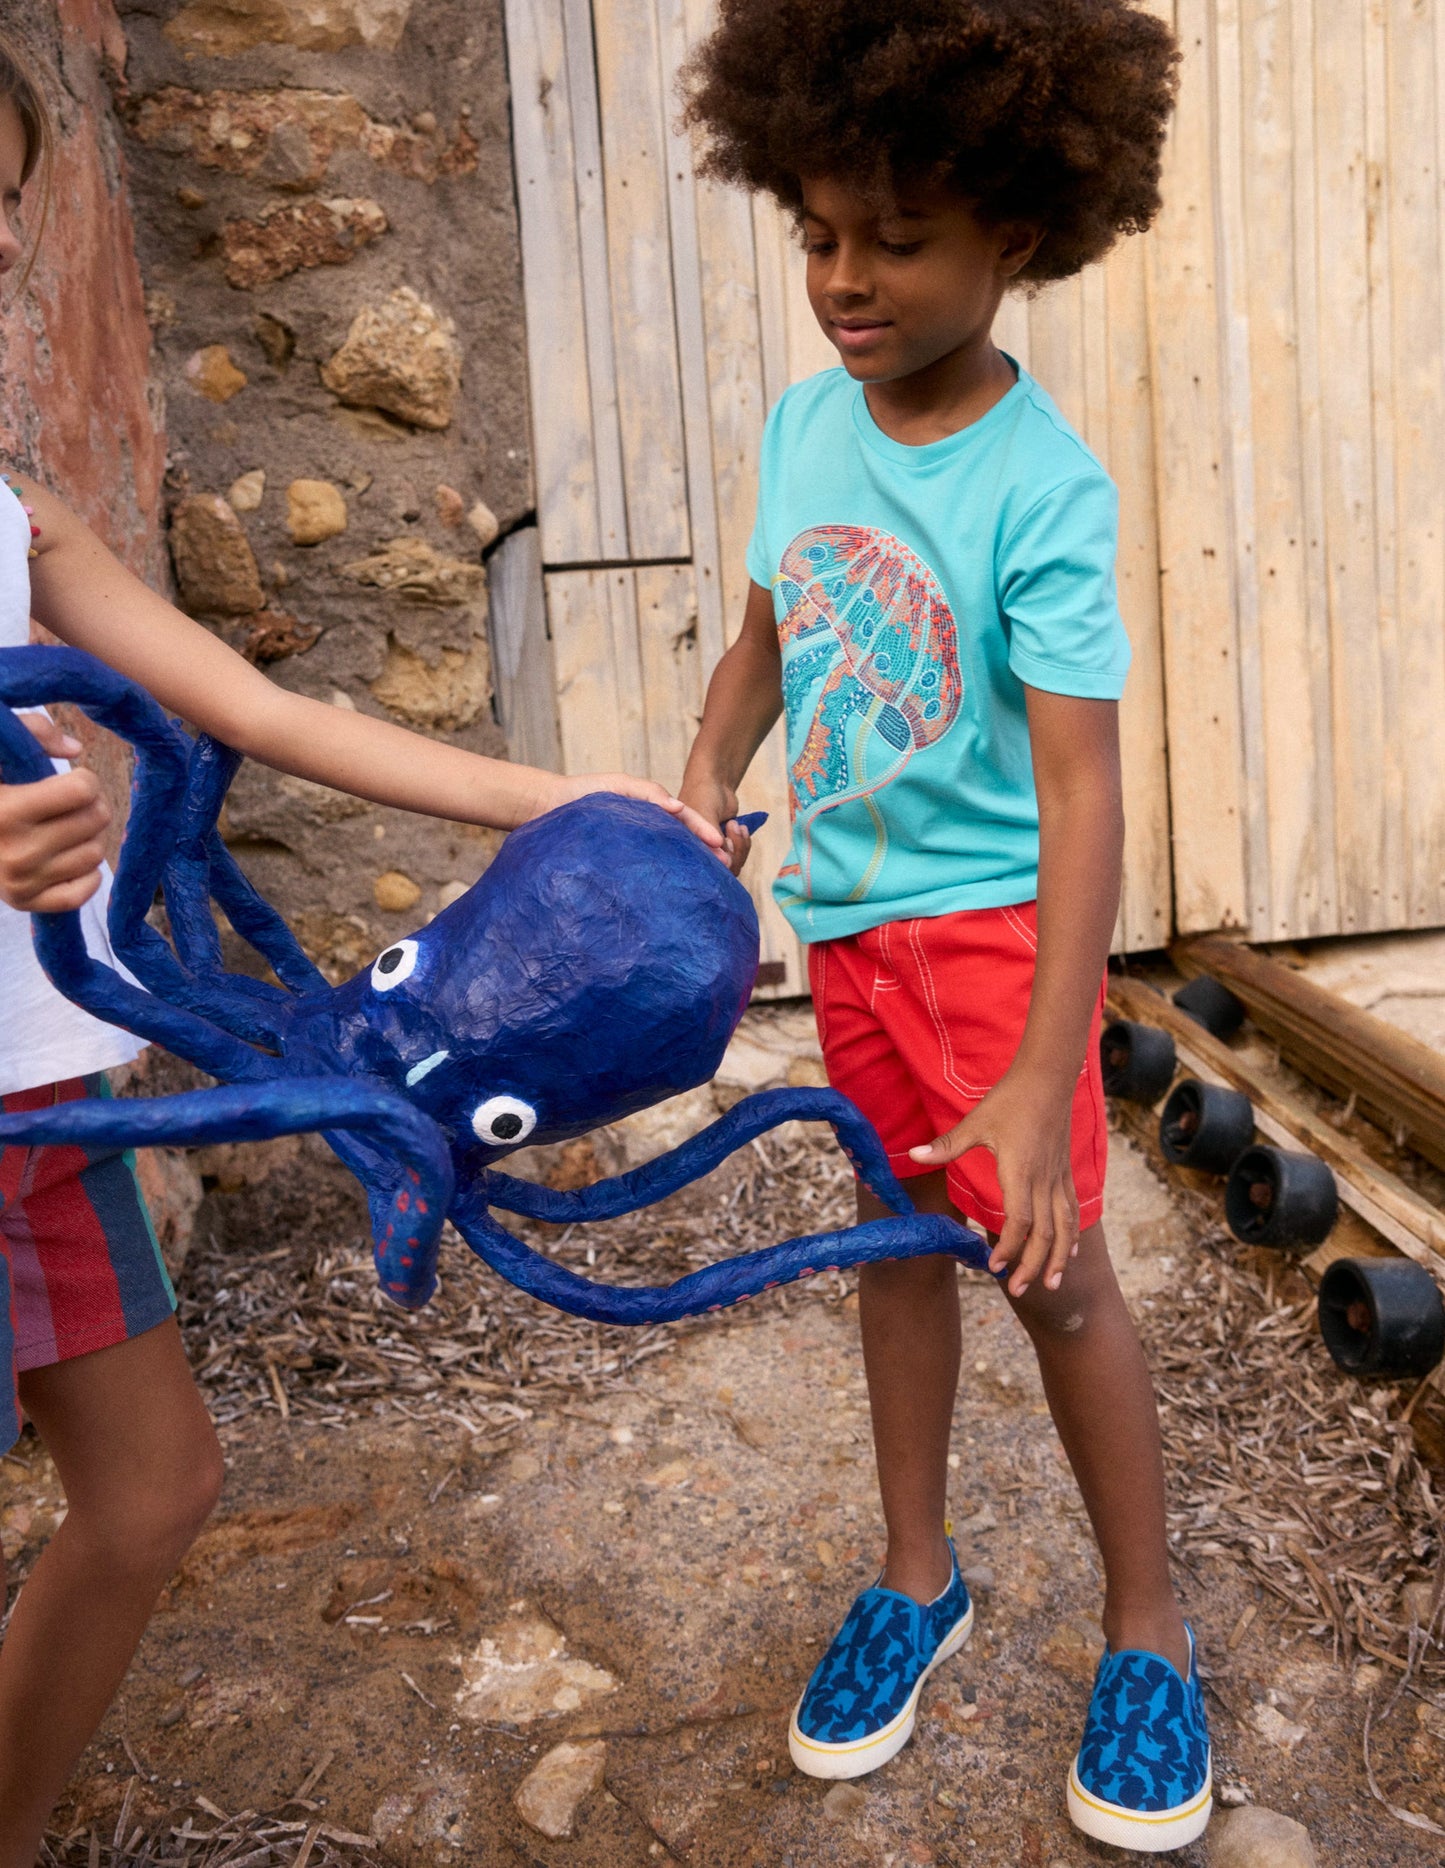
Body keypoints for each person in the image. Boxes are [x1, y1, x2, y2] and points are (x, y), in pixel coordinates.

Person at [0, 34, 722, 1867]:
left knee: (153, 1496)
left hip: (48, 1102)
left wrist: (571, 797)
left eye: (2, 215)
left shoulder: (12, 509)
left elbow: (251, 700)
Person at [678, 0, 1209, 1851]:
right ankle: (918, 1578)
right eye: (817, 231)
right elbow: (764, 640)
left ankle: (1147, 1631)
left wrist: (1046, 1062)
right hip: (847, 937)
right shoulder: (802, 429)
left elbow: (1080, 797)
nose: (843, 276)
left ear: (1022, 234)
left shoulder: (1039, 487)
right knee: (891, 1250)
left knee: (1052, 1278)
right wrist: (698, 789)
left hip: (993, 948)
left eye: (896, 239)